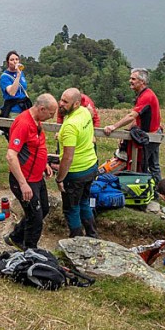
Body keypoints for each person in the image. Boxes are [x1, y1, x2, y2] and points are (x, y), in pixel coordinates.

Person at [4, 93, 59, 250]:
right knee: (35, 217)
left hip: (36, 176)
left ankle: (15, 237)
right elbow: (11, 155)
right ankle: (30, 251)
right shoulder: (23, 123)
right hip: (25, 180)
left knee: (44, 209)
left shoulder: (37, 120)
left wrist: (44, 165)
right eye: (51, 113)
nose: (52, 116)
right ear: (42, 109)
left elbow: (35, 148)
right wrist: (23, 184)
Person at [102, 68, 162, 183]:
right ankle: (159, 192)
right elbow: (138, 117)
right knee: (154, 166)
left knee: (142, 165)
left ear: (142, 82)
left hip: (150, 136)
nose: (130, 81)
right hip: (153, 133)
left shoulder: (146, 96)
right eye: (130, 78)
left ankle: (146, 190)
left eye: (133, 79)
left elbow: (132, 116)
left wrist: (114, 127)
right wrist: (127, 131)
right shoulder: (143, 95)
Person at [55, 88, 99, 238]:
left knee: (71, 208)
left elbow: (68, 157)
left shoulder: (70, 126)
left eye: (65, 102)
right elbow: (91, 114)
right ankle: (92, 235)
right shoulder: (85, 112)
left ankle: (77, 240)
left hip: (75, 173)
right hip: (91, 166)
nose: (60, 104)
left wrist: (60, 178)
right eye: (61, 99)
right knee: (84, 202)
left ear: (76, 104)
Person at [0, 50, 30, 137]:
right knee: (16, 136)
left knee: (26, 135)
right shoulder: (5, 77)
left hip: (24, 108)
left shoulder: (20, 73)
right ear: (8, 62)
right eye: (12, 60)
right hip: (14, 110)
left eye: (16, 59)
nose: (15, 61)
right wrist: (18, 76)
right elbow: (12, 92)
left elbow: (23, 88)